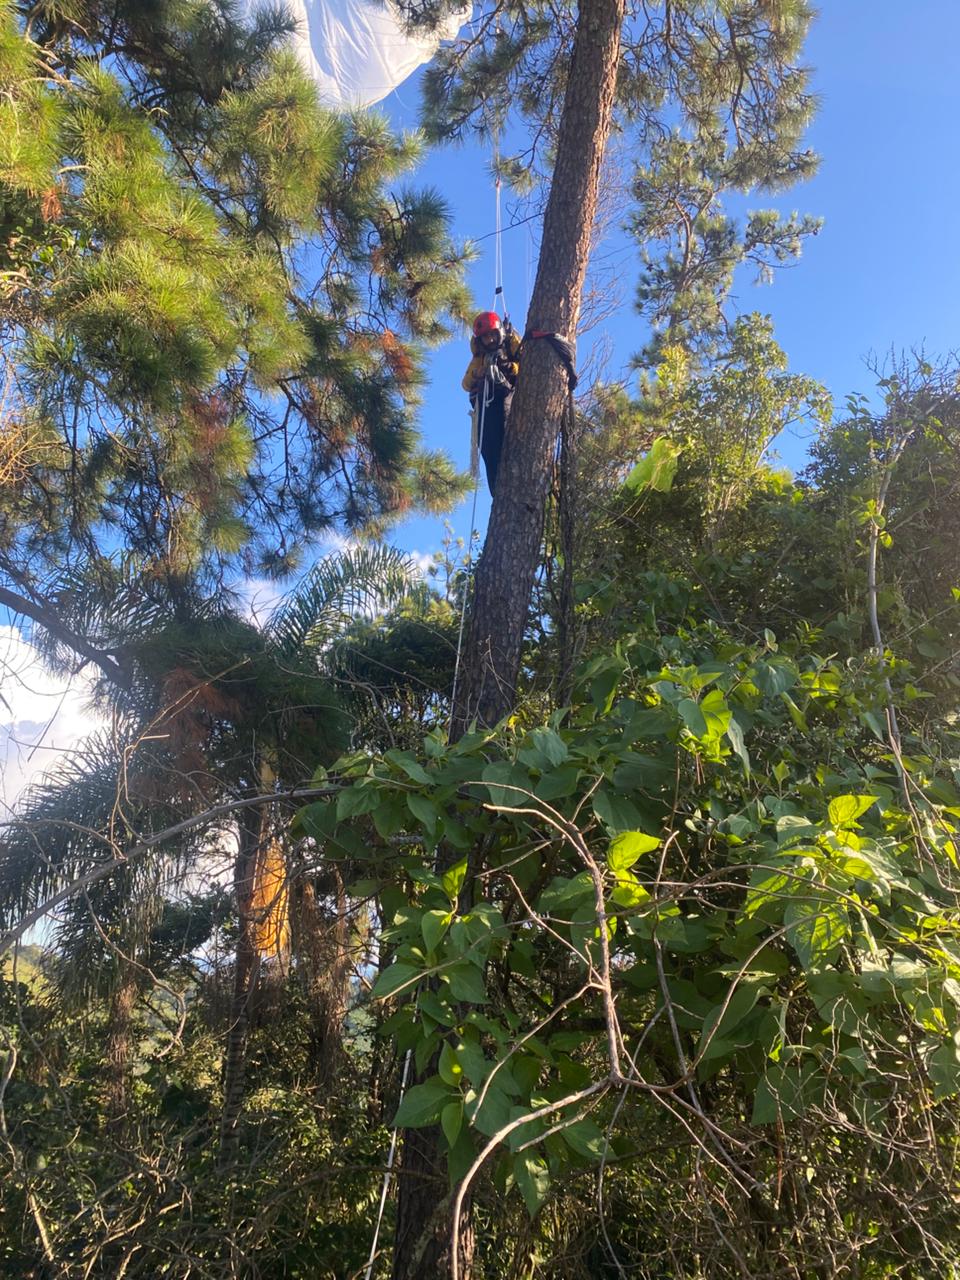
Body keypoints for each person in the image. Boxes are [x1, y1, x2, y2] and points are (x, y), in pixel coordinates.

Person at [462, 310, 521, 494]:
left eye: (492, 335)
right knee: (488, 447)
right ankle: (497, 490)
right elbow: (465, 384)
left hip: (505, 397)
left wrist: (509, 367)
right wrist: (477, 374)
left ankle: (510, 483)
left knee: (504, 440)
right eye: (485, 337)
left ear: (500, 333)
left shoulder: (511, 346)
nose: (489, 340)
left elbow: (525, 363)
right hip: (485, 405)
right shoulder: (478, 358)